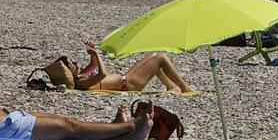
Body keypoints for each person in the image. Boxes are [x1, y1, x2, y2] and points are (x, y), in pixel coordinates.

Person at [0, 48, 153, 140]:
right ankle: (132, 126)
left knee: (67, 128)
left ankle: (123, 135)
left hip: (12, 121)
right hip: (7, 130)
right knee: (69, 127)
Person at [65, 40, 194, 92]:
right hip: (128, 85)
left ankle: (170, 86)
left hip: (126, 79)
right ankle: (184, 88)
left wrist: (92, 51)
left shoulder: (81, 74)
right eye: (71, 64)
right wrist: (97, 54)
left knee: (153, 56)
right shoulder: (80, 82)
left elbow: (93, 65)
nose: (75, 63)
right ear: (67, 71)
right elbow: (103, 73)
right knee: (161, 58)